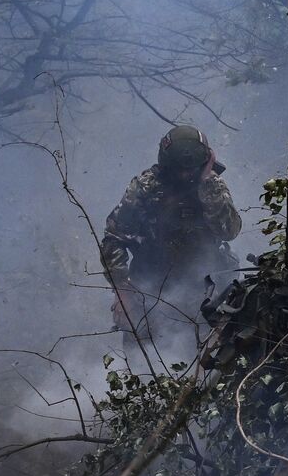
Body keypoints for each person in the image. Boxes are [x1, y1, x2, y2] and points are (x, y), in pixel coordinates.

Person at [101, 125, 242, 338]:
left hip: (205, 291)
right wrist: (123, 292)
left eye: (191, 168)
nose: (185, 174)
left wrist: (207, 183)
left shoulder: (212, 184)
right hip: (150, 288)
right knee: (142, 362)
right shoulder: (145, 188)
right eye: (179, 168)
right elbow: (114, 238)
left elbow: (228, 231)